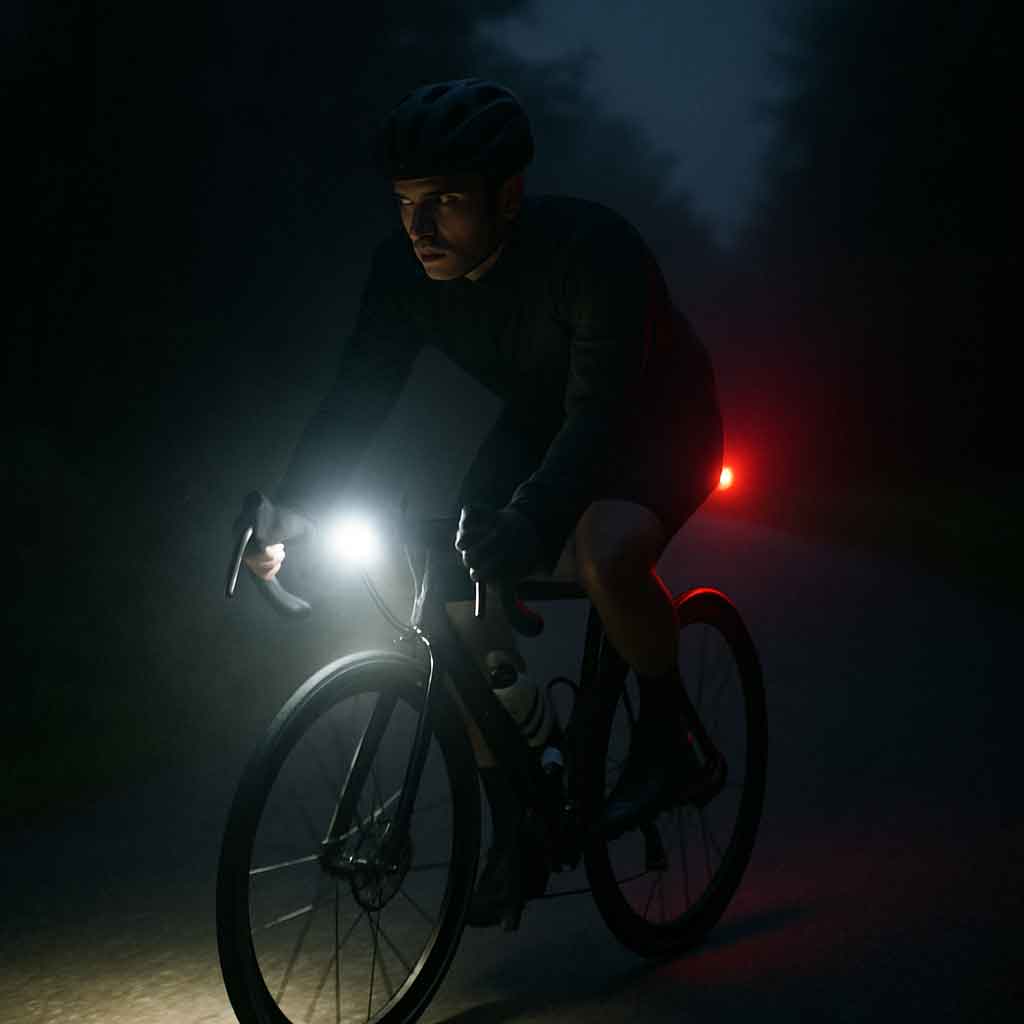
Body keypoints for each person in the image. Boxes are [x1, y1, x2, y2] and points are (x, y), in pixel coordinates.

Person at [244, 77, 724, 927]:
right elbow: (360, 388)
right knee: (451, 590)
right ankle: (520, 815)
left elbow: (598, 420)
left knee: (604, 550)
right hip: (544, 419)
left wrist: (533, 521)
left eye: (446, 203)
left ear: (508, 196)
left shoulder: (593, 252)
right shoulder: (402, 270)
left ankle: (666, 739)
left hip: (654, 418)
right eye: (404, 203)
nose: (419, 228)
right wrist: (292, 500)